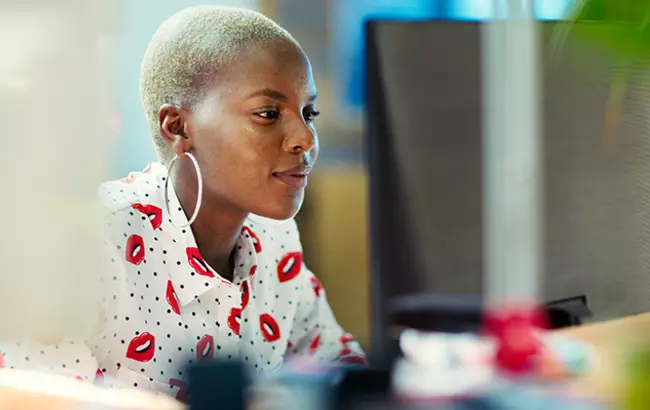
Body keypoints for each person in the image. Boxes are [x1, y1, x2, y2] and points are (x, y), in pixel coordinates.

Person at [0, 5, 364, 400]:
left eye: (309, 113)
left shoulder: (274, 237)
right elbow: (39, 399)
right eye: (268, 113)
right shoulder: (92, 247)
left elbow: (339, 371)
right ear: (178, 128)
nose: (306, 139)